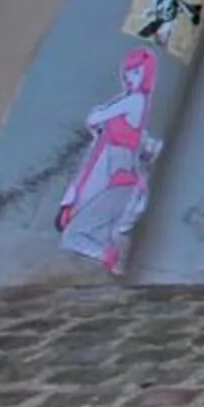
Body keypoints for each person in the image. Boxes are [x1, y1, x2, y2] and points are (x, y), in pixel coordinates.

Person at [56, 49, 158, 274]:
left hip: (118, 179)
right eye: (129, 73)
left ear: (146, 74)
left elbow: (95, 117)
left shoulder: (135, 100)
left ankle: (109, 256)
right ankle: (111, 256)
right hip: (117, 178)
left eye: (137, 73)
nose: (131, 78)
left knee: (74, 236)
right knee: (95, 229)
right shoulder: (137, 107)